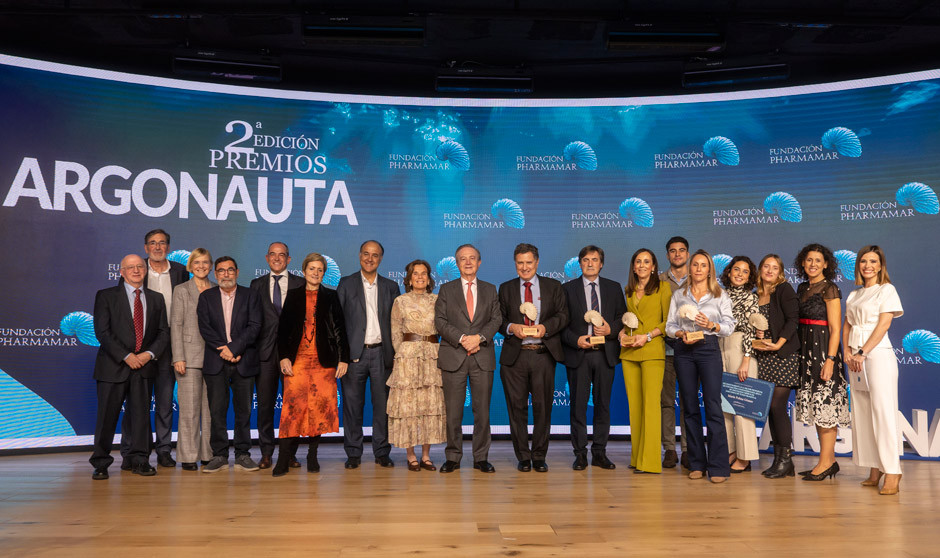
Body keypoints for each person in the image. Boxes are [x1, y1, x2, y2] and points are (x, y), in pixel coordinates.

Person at [90, 254, 169, 479]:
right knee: (107, 417)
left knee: (141, 417)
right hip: (113, 366)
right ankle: (101, 463)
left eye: (140, 267)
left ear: (145, 270)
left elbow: (163, 332)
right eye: (130, 267)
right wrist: (126, 356)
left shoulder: (156, 298)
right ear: (121, 272)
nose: (136, 270)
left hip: (144, 367)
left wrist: (147, 354)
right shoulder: (105, 296)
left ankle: (140, 460)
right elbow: (102, 332)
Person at [273, 253, 349, 476]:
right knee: (292, 410)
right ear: (304, 270)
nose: (315, 273)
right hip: (297, 360)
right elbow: (283, 330)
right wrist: (283, 356)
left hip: (324, 362)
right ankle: (283, 458)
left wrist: (343, 358)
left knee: (318, 409)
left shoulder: (331, 296)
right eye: (311, 269)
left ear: (323, 273)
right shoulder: (294, 295)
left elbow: (340, 330)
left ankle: (312, 456)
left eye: (320, 270)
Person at [665, 249, 735, 483]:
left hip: (708, 349)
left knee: (713, 407)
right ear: (690, 268)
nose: (698, 269)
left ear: (709, 270)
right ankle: (696, 463)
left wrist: (712, 325)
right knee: (690, 407)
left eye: (703, 265)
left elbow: (729, 325)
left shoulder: (719, 295)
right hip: (684, 351)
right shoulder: (679, 295)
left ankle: (718, 466)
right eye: (695, 264)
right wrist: (680, 332)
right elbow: (669, 326)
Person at [120, 229, 188, 469]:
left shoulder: (181, 272)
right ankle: (130, 451)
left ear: (168, 247)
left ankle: (163, 450)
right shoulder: (136, 271)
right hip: (140, 348)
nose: (158, 247)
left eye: (162, 243)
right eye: (152, 243)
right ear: (146, 247)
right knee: (136, 402)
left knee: (165, 401)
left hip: (170, 345)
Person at [498, 243, 569, 473]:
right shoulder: (506, 288)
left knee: (543, 408)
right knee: (516, 409)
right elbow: (497, 319)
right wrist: (511, 327)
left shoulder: (553, 286)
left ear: (537, 262)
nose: (525, 267)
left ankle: (539, 456)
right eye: (520, 263)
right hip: (515, 357)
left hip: (542, 354)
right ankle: (523, 457)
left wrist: (545, 327)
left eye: (529, 262)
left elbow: (563, 315)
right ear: (515, 263)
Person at [434, 244, 502, 474]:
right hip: (454, 356)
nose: (468, 262)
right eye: (463, 259)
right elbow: (440, 322)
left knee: (482, 411)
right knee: (453, 412)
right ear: (457, 263)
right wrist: (463, 338)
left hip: (482, 357)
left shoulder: (491, 289)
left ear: (479, 262)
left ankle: (481, 458)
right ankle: (452, 457)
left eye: (472, 258)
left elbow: (496, 320)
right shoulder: (446, 289)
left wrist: (479, 338)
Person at [843, 245, 904, 495]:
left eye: (873, 261)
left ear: (880, 265)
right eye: (863, 261)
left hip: (876, 355)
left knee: (882, 411)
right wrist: (847, 351)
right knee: (863, 413)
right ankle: (874, 468)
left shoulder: (887, 290)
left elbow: (884, 324)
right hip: (854, 357)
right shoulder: (854, 295)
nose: (867, 265)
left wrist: (862, 352)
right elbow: (847, 324)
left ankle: (893, 470)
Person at [336, 240, 401, 469]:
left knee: (382, 406)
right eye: (366, 254)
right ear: (359, 255)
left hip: (382, 354)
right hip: (354, 356)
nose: (370, 258)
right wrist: (342, 357)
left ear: (381, 259)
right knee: (352, 407)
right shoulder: (345, 284)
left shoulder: (391, 286)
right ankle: (353, 453)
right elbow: (338, 325)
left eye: (375, 255)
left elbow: (397, 324)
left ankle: (382, 451)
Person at [562, 245, 627, 471]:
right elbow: (561, 323)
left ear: (602, 263)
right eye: (586, 260)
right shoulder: (567, 289)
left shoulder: (613, 287)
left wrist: (610, 329)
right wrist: (575, 340)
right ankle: (579, 453)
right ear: (580, 264)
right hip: (579, 354)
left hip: (604, 354)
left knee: (603, 406)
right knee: (578, 407)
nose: (590, 263)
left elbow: (623, 318)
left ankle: (599, 452)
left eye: (595, 259)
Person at [197, 256, 263, 473]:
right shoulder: (206, 297)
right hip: (216, 362)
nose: (226, 274)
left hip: (244, 360)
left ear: (237, 272)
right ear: (215, 274)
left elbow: (255, 326)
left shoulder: (250, 295)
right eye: (221, 270)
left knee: (243, 411)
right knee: (217, 411)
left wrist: (235, 349)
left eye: (230, 270)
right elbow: (205, 328)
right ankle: (220, 455)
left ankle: (243, 454)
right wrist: (225, 350)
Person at [794, 243, 850, 481]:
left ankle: (825, 462)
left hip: (823, 352)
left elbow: (836, 329)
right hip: (805, 351)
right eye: (809, 260)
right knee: (817, 409)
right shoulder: (802, 287)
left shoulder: (830, 289)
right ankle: (829, 460)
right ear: (803, 264)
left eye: (818, 260)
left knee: (825, 407)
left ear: (826, 263)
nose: (813, 264)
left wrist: (829, 359)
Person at [386, 260, 447, 471]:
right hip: (407, 358)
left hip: (432, 356)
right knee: (409, 406)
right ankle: (411, 455)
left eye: (424, 273)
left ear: (429, 278)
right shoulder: (400, 301)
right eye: (415, 274)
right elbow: (395, 332)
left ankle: (426, 456)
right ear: (409, 279)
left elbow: (444, 327)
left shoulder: (438, 300)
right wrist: (403, 354)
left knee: (429, 405)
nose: (420, 277)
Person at [249, 242, 304, 469]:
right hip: (265, 354)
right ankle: (266, 453)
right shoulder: (256, 285)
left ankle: (289, 454)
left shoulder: (300, 283)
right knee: (264, 406)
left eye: (282, 255)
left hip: (294, 355)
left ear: (289, 260)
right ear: (267, 257)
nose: (277, 258)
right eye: (273, 254)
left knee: (293, 406)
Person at [618, 248, 671, 474]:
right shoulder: (628, 290)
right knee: (635, 407)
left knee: (651, 406)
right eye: (638, 261)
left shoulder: (663, 288)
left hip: (652, 351)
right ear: (633, 267)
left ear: (653, 266)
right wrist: (621, 334)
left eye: (646, 261)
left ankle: (649, 462)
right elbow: (628, 321)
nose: (641, 265)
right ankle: (636, 457)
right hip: (629, 353)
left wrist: (647, 336)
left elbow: (669, 321)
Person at [752, 254, 801, 479]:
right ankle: (780, 461)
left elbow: (793, 320)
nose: (770, 270)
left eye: (775, 267)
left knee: (776, 406)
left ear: (780, 271)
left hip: (783, 356)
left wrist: (778, 344)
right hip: (765, 357)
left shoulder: (784, 289)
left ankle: (785, 460)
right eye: (766, 266)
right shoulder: (756, 295)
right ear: (760, 269)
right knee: (771, 409)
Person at [169, 248, 215, 471]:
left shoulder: (217, 288)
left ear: (211, 265)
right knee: (189, 410)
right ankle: (188, 456)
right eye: (197, 262)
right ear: (190, 265)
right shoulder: (181, 290)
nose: (201, 266)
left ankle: (208, 454)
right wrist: (178, 356)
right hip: (187, 356)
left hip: (215, 357)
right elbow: (175, 325)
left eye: (205, 262)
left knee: (210, 410)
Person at [718, 256, 760, 473]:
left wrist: (746, 359)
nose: (740, 274)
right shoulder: (719, 295)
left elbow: (752, 330)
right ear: (729, 271)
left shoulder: (752, 298)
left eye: (745, 271)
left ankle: (746, 457)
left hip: (740, 348)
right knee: (724, 407)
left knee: (742, 406)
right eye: (736, 269)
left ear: (750, 276)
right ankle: (731, 452)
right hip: (719, 347)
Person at [659, 236, 690, 469]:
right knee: (667, 402)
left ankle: (689, 449)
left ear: (687, 254)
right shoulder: (658, 281)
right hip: (666, 350)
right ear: (667, 255)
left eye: (681, 250)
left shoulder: (701, 279)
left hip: (692, 351)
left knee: (689, 402)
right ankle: (669, 449)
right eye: (673, 251)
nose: (677, 254)